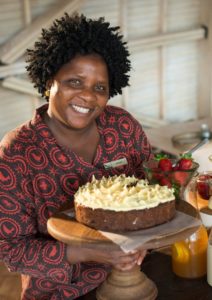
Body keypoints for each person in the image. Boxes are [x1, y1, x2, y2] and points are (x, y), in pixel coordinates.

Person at [0, 13, 153, 299]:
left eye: (99, 87)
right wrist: (90, 252)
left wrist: (146, 241)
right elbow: (10, 248)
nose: (88, 96)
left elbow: (152, 197)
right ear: (49, 82)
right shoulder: (17, 152)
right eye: (74, 81)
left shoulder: (123, 126)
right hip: (61, 292)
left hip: (136, 277)